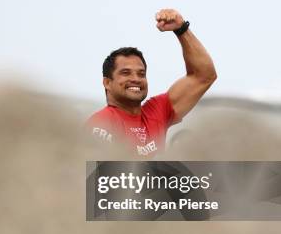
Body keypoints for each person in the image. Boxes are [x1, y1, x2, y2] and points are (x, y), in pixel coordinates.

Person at [86, 8, 217, 157]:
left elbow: (203, 76)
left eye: (141, 74)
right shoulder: (100, 122)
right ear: (107, 83)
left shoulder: (157, 112)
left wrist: (181, 29)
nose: (135, 78)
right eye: (125, 73)